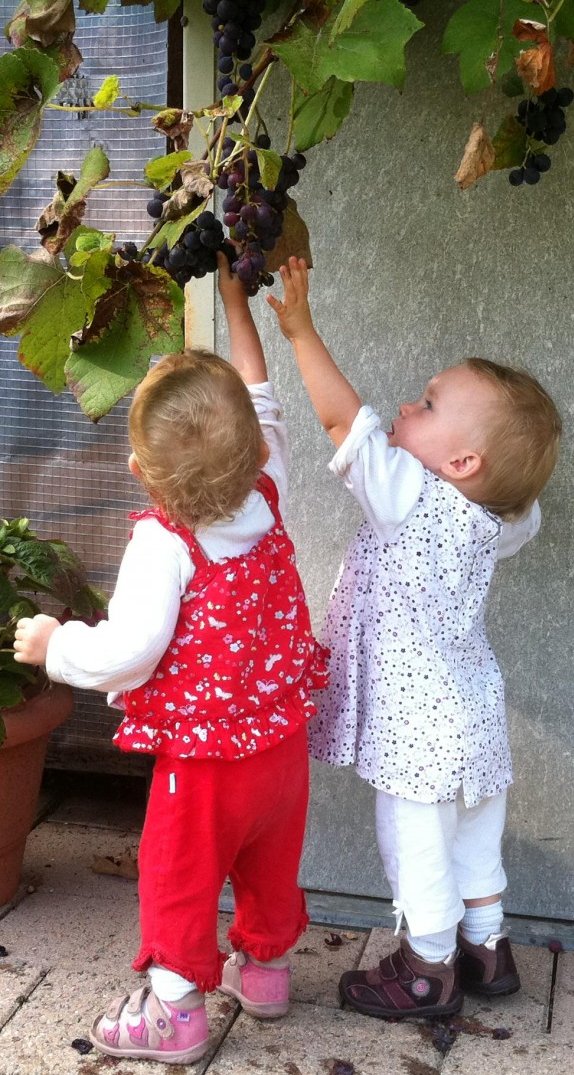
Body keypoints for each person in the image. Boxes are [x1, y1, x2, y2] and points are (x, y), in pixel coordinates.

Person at [13, 254, 328, 1064]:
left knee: (179, 877)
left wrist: (56, 646)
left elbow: (130, 650)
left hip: (206, 764)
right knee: (270, 861)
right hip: (281, 748)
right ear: (253, 449)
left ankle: (176, 1012)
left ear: (139, 473)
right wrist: (238, 308)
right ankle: (265, 973)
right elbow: (262, 398)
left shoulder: (164, 543)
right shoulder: (268, 487)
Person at [267, 257, 561, 1021]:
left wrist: (301, 331)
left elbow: (343, 422)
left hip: (417, 727)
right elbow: (523, 504)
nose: (405, 404)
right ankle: (488, 949)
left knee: (417, 843)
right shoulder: (499, 519)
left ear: (461, 462)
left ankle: (427, 967)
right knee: (474, 837)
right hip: (474, 710)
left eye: (427, 404)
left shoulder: (412, 497)